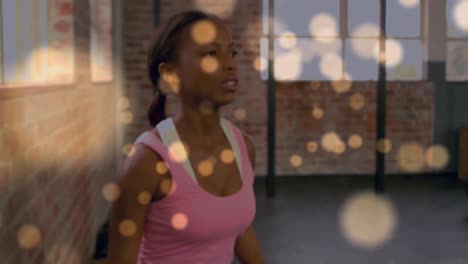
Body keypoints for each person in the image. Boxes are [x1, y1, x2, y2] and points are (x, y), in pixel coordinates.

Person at [106, 10, 266, 264]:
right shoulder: (146, 162)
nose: (230, 63)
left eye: (231, 52)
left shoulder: (244, 147)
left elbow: (236, 226)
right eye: (211, 54)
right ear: (170, 75)